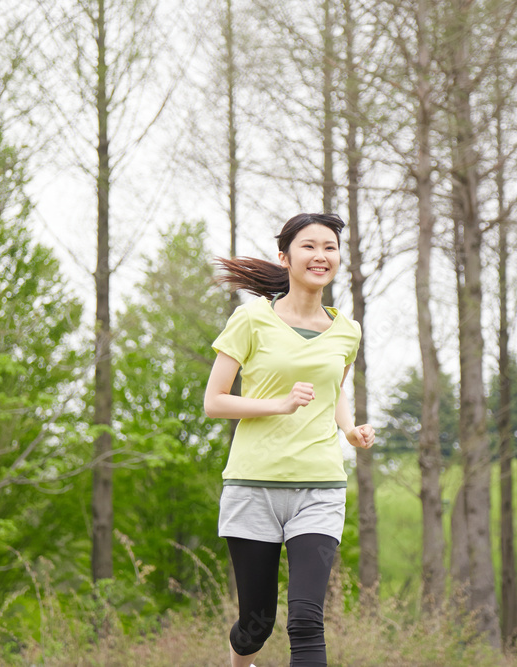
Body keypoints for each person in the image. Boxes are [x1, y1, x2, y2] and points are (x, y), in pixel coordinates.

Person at [204, 213, 375, 667]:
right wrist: (277, 404)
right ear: (285, 257)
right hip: (252, 485)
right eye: (309, 246)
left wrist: (349, 428)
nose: (321, 255)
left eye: (330, 247)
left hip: (319, 487)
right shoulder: (251, 320)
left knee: (305, 618)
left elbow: (334, 390)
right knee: (255, 625)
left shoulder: (347, 330)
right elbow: (215, 402)